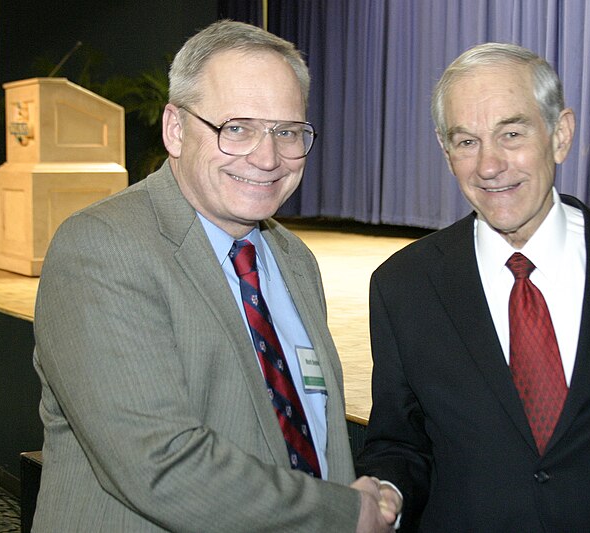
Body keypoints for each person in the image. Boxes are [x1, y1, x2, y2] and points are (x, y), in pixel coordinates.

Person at [32, 20, 399, 532]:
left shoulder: (292, 258)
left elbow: (313, 430)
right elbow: (159, 465)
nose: (267, 157)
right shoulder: (102, 248)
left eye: (287, 132)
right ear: (176, 129)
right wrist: (343, 515)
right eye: (238, 128)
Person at [356, 42, 590, 532]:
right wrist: (389, 490)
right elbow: (401, 444)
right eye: (467, 142)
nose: (489, 165)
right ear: (447, 154)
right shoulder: (403, 287)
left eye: (511, 134)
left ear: (561, 135)